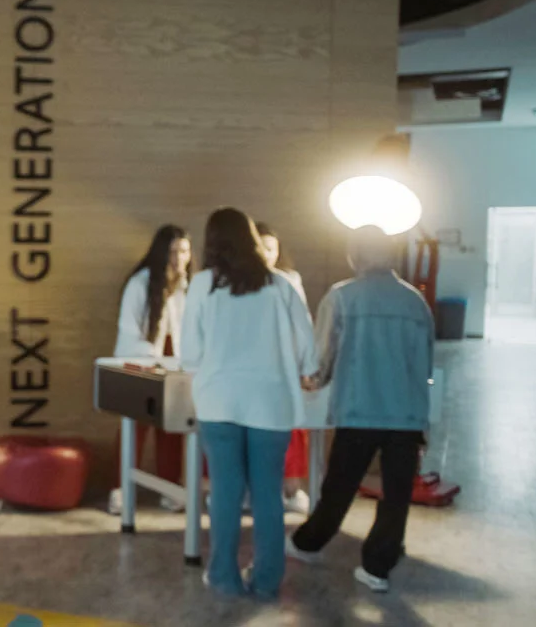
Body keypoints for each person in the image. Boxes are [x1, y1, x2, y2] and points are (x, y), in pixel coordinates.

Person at [286, 226, 433, 594]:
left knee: (340, 485)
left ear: (355, 255)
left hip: (359, 408)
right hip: (406, 414)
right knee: (397, 495)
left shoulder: (342, 297)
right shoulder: (416, 301)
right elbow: (426, 364)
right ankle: (377, 568)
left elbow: (322, 358)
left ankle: (309, 543)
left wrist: (312, 382)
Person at [181, 207, 316, 600]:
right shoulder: (282, 285)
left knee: (225, 492)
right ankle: (267, 579)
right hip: (271, 404)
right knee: (267, 494)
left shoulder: (203, 285)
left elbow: (190, 353)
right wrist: (305, 368)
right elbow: (308, 347)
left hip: (218, 402)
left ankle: (223, 576)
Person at [109, 225, 192, 515]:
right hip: (140, 365)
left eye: (183, 251)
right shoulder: (140, 283)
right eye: (172, 252)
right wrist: (154, 358)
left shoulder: (190, 286)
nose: (178, 258)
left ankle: (171, 489)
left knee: (172, 428)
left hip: (177, 368)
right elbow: (129, 331)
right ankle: (119, 490)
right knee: (134, 429)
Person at [257, 222, 313, 513]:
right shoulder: (231, 283)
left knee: (291, 430)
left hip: (284, 369)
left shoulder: (289, 281)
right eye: (261, 247)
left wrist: (307, 367)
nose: (266, 254)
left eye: (271, 248)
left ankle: (292, 489)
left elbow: (303, 328)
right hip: (252, 374)